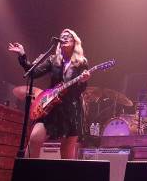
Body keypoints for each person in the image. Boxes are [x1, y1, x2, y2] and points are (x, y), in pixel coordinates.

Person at [8, 29, 91, 159]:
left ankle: (66, 179)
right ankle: (28, 175)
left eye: (68, 36)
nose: (64, 37)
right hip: (51, 106)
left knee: (67, 151)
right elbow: (32, 73)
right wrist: (22, 55)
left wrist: (83, 82)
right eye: (62, 35)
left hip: (70, 109)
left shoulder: (81, 62)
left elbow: (78, 91)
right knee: (34, 139)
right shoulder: (53, 60)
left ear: (74, 41)